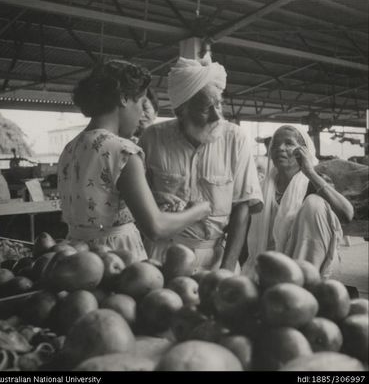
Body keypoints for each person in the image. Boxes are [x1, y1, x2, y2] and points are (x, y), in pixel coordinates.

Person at [57, 60, 211, 261]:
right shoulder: (124, 151)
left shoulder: (71, 148)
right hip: (115, 256)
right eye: (140, 102)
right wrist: (198, 211)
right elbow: (156, 228)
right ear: (123, 99)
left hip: (76, 256)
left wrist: (152, 198)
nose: (141, 114)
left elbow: (101, 199)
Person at [140, 56, 263, 271]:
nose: (217, 115)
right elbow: (139, 201)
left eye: (219, 104)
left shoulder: (235, 139)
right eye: (206, 108)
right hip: (163, 254)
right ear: (182, 111)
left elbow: (242, 207)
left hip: (214, 257)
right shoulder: (153, 138)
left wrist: (226, 269)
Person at [244, 125, 354, 279]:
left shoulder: (315, 182)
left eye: (288, 143)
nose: (280, 148)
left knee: (313, 203)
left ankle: (303, 284)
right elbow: (247, 232)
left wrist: (310, 172)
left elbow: (347, 214)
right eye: (275, 144)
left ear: (304, 151)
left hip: (310, 269)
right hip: (271, 265)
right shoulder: (262, 188)